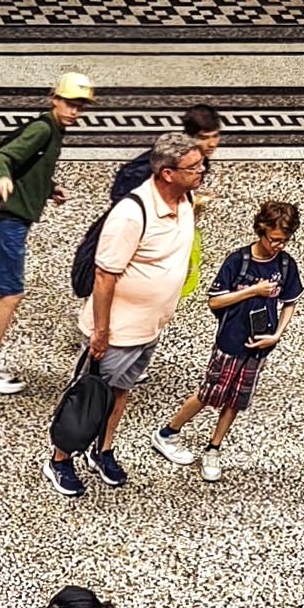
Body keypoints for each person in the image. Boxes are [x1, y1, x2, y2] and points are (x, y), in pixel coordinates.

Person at [48, 136, 202, 497]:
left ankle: (102, 449)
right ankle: (59, 459)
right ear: (167, 173)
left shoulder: (186, 200)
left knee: (121, 391)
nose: (201, 171)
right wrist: (101, 332)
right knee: (87, 397)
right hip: (117, 331)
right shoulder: (131, 215)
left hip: (148, 327)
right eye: (193, 167)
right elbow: (105, 276)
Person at [0, 72, 89, 388]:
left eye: (79, 106)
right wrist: (0, 175)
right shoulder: (43, 129)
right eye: (69, 103)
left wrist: (49, 188)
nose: (74, 111)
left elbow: (31, 167)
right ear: (55, 99)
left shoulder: (53, 130)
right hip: (10, 219)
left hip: (12, 216)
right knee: (12, 293)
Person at [157, 196, 302, 480]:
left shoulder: (286, 265)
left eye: (284, 240)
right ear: (261, 229)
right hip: (230, 341)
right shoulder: (239, 261)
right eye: (274, 239)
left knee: (236, 399)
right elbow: (215, 301)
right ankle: (168, 432)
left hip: (260, 344)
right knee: (209, 393)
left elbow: (290, 302)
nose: (279, 246)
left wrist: (276, 335)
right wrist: (252, 291)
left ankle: (214, 447)